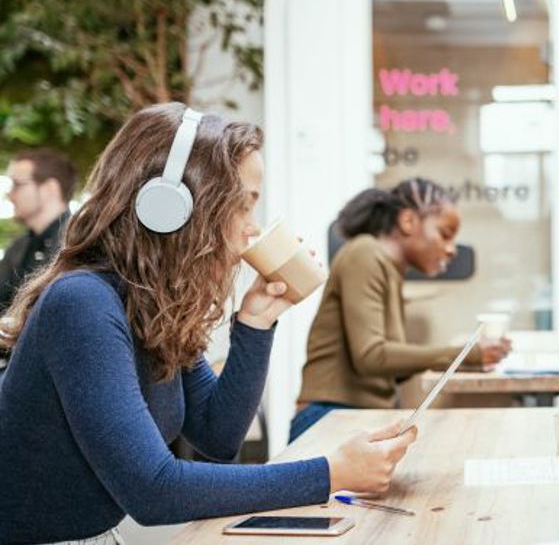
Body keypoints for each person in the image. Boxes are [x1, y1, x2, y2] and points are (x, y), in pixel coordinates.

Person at [0, 103, 417, 544]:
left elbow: (218, 437)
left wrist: (256, 322)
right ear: (170, 206)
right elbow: (153, 491)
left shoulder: (148, 305)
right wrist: (330, 473)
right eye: (244, 205)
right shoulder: (83, 303)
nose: (252, 230)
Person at [292, 178, 511, 442]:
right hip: (328, 420)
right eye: (444, 234)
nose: (452, 249)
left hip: (352, 419)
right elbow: (371, 356)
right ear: (408, 221)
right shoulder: (365, 253)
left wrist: (464, 358)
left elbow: (388, 363)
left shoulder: (388, 268)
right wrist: (465, 355)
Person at [0, 149, 77, 320]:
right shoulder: (19, 245)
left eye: (16, 184)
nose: (9, 194)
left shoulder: (78, 244)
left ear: (50, 189)